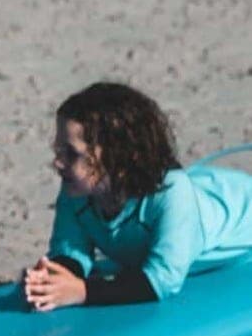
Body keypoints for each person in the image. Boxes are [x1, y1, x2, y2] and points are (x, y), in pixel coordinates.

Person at [24, 82, 252, 310]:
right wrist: (56, 277)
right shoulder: (77, 190)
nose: (58, 163)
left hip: (243, 210)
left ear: (119, 158)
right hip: (204, 190)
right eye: (58, 150)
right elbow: (71, 249)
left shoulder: (170, 195)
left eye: (72, 154)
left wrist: (82, 291)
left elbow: (163, 279)